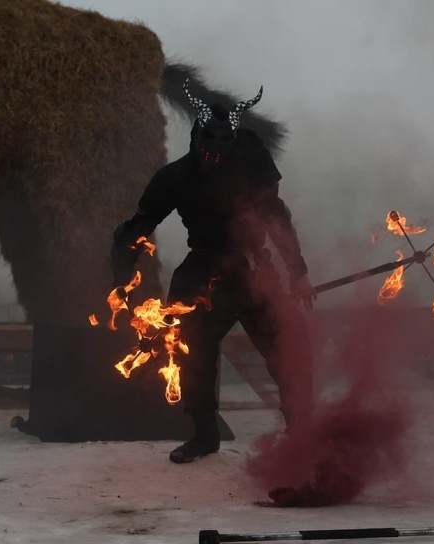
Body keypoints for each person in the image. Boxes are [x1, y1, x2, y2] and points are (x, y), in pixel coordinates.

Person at [111, 80, 316, 463]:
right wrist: (121, 271)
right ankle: (204, 434)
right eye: (208, 140)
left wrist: (296, 271)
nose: (214, 151)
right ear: (196, 135)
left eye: (224, 142)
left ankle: (302, 435)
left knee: (288, 351)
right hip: (202, 268)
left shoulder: (250, 163)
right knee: (193, 357)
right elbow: (140, 223)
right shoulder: (175, 178)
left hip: (253, 268)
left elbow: (276, 217)